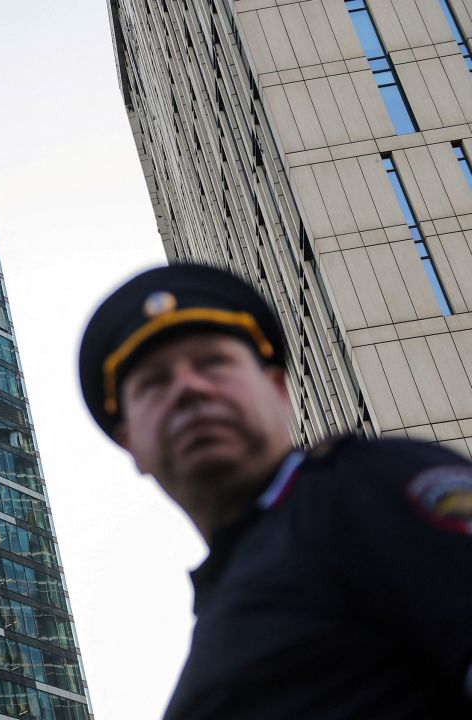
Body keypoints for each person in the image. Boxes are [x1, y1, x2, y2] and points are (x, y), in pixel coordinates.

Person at [79, 263, 472, 719]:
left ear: (279, 392)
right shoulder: (218, 617)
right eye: (154, 383)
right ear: (131, 444)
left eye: (213, 362)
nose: (187, 388)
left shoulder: (369, 483)